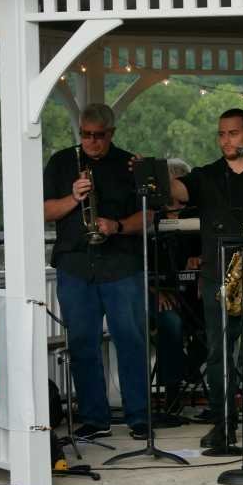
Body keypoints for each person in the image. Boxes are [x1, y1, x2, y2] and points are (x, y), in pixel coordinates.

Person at [169, 109, 243, 450]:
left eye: (233, 133)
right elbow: (177, 192)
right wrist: (154, 174)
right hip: (220, 273)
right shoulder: (205, 175)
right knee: (219, 354)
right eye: (221, 134)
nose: (226, 140)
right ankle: (223, 426)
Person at [43, 103, 149, 440]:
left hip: (121, 263)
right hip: (75, 264)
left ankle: (139, 417)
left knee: (130, 340)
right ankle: (93, 417)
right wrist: (74, 198)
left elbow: (149, 215)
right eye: (85, 135)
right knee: (81, 343)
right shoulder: (62, 162)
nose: (91, 141)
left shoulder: (129, 164)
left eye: (98, 136)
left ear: (111, 133)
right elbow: (44, 211)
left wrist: (116, 225)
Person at [151, 158, 202, 417]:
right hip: (161, 294)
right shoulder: (151, 217)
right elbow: (139, 265)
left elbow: (210, 249)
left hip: (195, 293)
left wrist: (202, 262)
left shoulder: (199, 215)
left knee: (219, 318)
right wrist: (155, 291)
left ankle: (188, 369)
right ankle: (172, 395)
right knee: (169, 322)